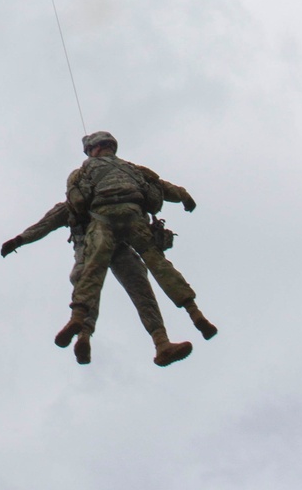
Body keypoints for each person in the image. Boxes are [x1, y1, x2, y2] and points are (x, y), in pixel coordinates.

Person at [56, 130, 217, 365]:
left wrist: (19, 240)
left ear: (93, 149)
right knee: (159, 267)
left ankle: (78, 318)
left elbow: (72, 206)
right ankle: (195, 316)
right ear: (110, 146)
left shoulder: (81, 173)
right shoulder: (132, 168)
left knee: (92, 271)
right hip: (134, 218)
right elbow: (161, 187)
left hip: (102, 222)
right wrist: (184, 196)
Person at [1, 196, 194, 368]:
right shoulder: (106, 200)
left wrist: (19, 240)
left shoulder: (77, 202)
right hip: (113, 248)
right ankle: (160, 342)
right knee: (138, 291)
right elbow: (45, 224)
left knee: (89, 288)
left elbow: (45, 225)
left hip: (94, 248)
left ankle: (85, 336)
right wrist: (20, 240)